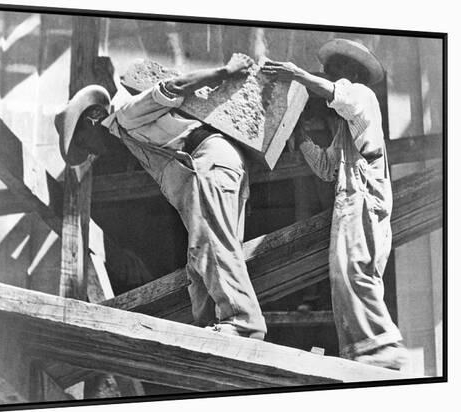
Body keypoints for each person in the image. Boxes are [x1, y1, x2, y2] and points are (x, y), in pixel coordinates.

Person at [55, 53, 267, 341]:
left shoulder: (127, 115)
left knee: (211, 245)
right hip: (211, 169)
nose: (90, 151)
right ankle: (210, 328)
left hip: (206, 164)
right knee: (199, 257)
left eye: (83, 141)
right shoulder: (127, 137)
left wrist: (225, 71)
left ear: (92, 119)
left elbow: (175, 87)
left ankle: (242, 322)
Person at [262, 39, 408, 369]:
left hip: (363, 196)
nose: (329, 72)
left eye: (336, 66)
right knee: (344, 274)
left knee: (356, 270)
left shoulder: (362, 96)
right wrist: (300, 138)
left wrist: (298, 75)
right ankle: (363, 351)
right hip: (351, 195)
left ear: (352, 71)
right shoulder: (346, 125)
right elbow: (329, 167)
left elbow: (336, 93)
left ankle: (383, 345)